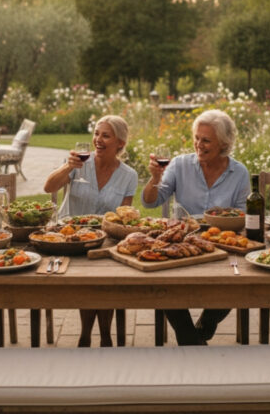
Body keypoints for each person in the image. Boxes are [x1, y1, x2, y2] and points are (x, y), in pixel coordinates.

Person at [141, 109, 250, 345]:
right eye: (197, 138)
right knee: (164, 284)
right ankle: (191, 340)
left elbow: (243, 215)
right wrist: (154, 178)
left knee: (238, 283)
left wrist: (224, 221)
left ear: (224, 143)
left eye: (206, 140)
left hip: (222, 245)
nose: (199, 144)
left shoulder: (239, 172)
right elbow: (151, 201)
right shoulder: (180, 165)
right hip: (182, 242)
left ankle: (206, 325)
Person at [43, 115, 138, 347]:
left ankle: (103, 334)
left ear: (120, 143)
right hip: (69, 238)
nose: (98, 139)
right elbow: (49, 187)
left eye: (106, 135)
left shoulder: (129, 176)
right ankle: (89, 333)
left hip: (106, 240)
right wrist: (68, 166)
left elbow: (123, 217)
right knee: (90, 278)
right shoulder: (78, 164)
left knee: (105, 279)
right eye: (96, 133)